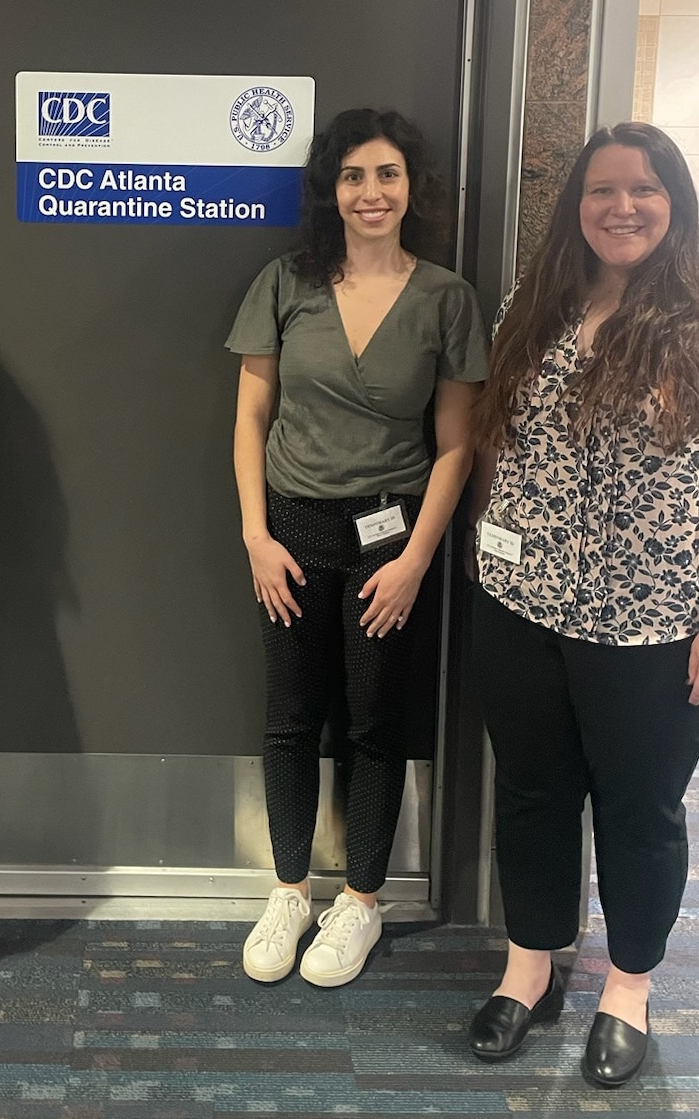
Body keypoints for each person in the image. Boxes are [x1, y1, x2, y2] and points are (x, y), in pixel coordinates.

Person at [466, 122, 699, 1086]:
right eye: (602, 190)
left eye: (645, 189)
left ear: (674, 203)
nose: (622, 207)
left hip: (656, 627)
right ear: (577, 209)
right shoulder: (533, 306)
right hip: (520, 607)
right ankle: (530, 968)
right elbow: (498, 447)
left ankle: (629, 987)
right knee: (530, 793)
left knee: (641, 812)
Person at [226, 108, 486, 987]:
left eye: (386, 175)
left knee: (376, 724)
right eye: (351, 177)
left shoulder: (447, 296)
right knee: (291, 718)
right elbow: (249, 420)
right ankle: (291, 889)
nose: (369, 193)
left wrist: (416, 559)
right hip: (292, 529)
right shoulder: (284, 283)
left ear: (412, 188)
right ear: (328, 190)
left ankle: (363, 902)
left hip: (392, 536)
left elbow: (457, 445)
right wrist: (257, 536)